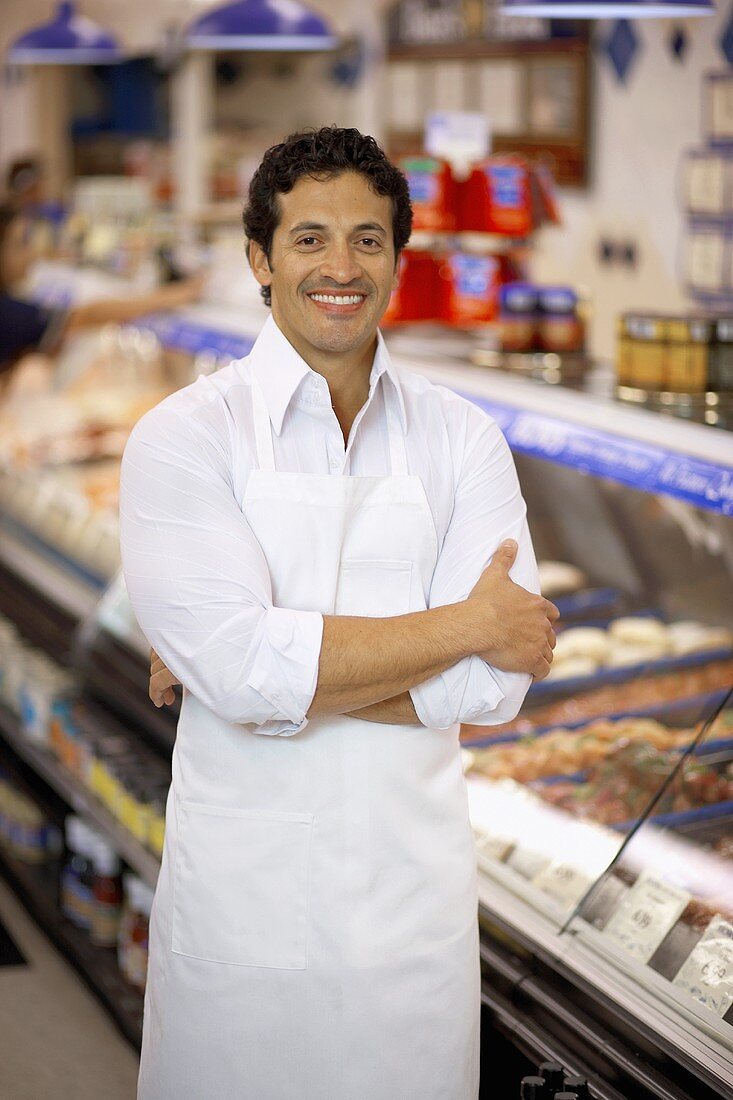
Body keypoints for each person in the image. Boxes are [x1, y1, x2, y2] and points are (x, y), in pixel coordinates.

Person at [120, 126, 558, 1100]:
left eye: (367, 239)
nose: (340, 265)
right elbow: (242, 665)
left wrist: (255, 671)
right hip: (243, 919)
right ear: (259, 262)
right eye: (309, 237)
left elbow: (493, 687)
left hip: (413, 929)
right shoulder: (186, 437)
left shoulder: (463, 437)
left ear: (397, 263)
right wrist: (466, 625)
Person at [0, 202, 203, 377]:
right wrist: (171, 297)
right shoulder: (8, 312)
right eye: (20, 244)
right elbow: (84, 316)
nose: (31, 253)